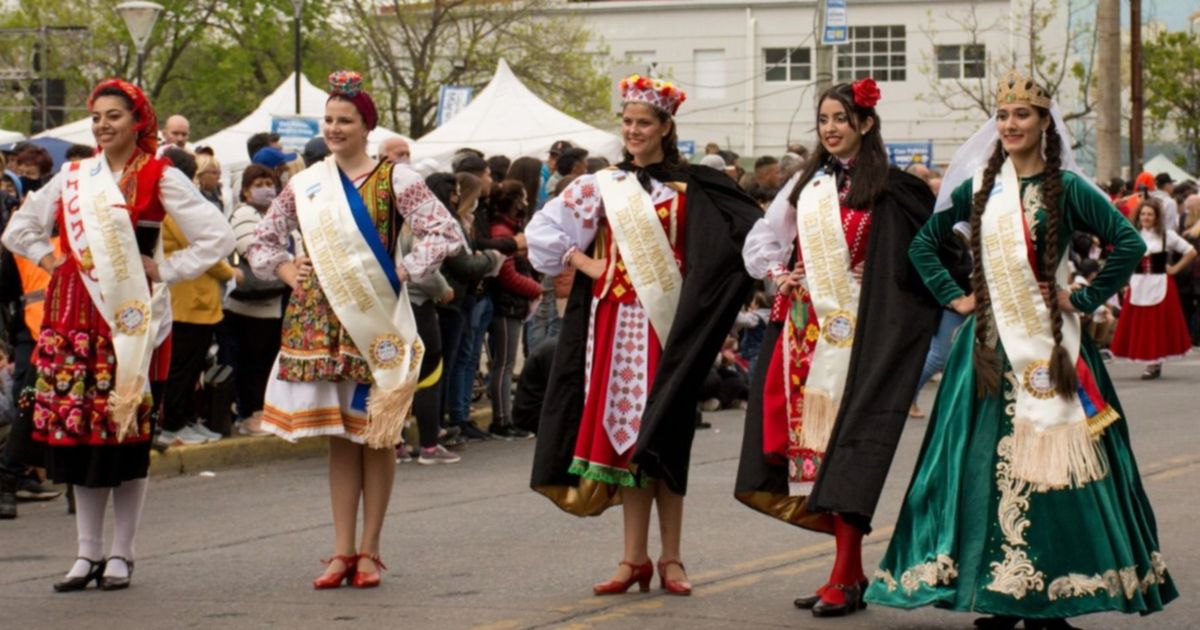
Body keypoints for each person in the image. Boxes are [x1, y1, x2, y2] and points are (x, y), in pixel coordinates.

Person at [866, 70, 1176, 628]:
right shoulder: (982, 190)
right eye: (1003, 116)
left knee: (1058, 471)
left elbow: (1126, 242)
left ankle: (1051, 597)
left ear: (1044, 124)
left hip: (1050, 348)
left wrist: (1080, 295)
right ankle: (994, 591)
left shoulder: (1069, 189)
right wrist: (955, 298)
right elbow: (924, 245)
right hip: (986, 349)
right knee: (977, 467)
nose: (1010, 124)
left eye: (1022, 115)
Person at [527, 74, 759, 596]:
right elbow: (544, 232)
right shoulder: (603, 184)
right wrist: (588, 264)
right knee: (629, 439)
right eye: (627, 122)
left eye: (643, 123)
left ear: (665, 127)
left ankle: (672, 558)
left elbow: (745, 238)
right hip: (615, 324)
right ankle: (633, 558)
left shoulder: (693, 184)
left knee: (667, 436)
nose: (633, 130)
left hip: (670, 325)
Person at [1, 78, 235, 590]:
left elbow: (217, 235)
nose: (104, 125)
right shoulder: (73, 175)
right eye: (98, 116)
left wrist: (164, 268)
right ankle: (86, 554)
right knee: (81, 436)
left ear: (138, 122)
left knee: (124, 436)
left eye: (115, 116)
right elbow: (18, 230)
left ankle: (122, 554)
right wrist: (49, 257)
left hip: (130, 324)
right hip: (73, 324)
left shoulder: (159, 175)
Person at [247, 71, 463, 589]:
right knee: (340, 436)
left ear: (367, 125)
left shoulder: (397, 179)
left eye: (346, 120)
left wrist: (408, 269)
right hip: (321, 323)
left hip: (376, 321)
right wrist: (284, 270)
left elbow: (445, 232)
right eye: (329, 120)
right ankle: (341, 549)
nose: (335, 128)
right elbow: (262, 242)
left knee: (377, 435)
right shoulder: (306, 182)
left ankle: (371, 550)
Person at [735, 78, 939, 617]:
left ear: (865, 125)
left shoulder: (893, 187)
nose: (830, 128)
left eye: (840, 119)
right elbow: (764, 242)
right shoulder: (809, 183)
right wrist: (780, 274)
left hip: (859, 332)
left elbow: (923, 254)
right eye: (824, 119)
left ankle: (845, 575)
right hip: (803, 328)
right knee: (804, 449)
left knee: (844, 449)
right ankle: (846, 571)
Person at [224, 164, 288, 435]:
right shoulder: (243, 215)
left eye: (269, 183)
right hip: (247, 304)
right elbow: (252, 249)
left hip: (275, 301)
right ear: (246, 191)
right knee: (248, 362)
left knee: (267, 361)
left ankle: (265, 411)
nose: (266, 189)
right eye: (258, 184)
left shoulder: (279, 215)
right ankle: (248, 414)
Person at [1109, 198, 1196, 379]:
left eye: (1150, 214)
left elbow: (1191, 251)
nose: (1146, 217)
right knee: (1141, 324)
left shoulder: (1167, 236)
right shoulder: (1132, 235)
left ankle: (1154, 362)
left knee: (1156, 324)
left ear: (1157, 217)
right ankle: (1151, 360)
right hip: (1138, 283)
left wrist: (1174, 269)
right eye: (1143, 214)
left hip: (1160, 283)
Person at [484, 181, 539, 439]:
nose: (526, 203)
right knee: (504, 364)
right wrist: (537, 290)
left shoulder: (509, 229)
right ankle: (501, 420)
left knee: (503, 363)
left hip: (512, 303)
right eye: (524, 198)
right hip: (506, 305)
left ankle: (504, 417)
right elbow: (508, 276)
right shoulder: (501, 232)